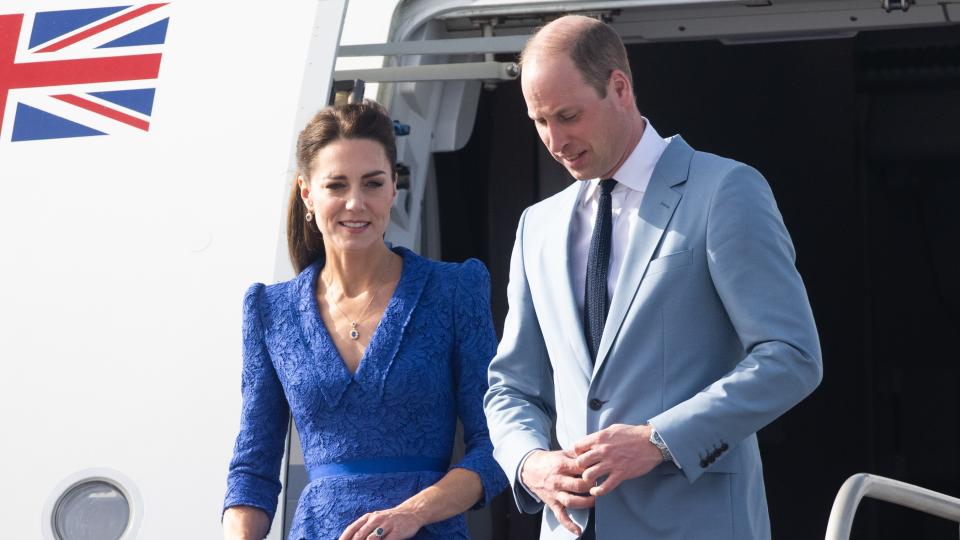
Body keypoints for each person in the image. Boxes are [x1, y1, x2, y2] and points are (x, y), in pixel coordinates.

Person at [483, 15, 823, 540]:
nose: (555, 140)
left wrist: (659, 439)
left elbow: (792, 356)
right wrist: (530, 464)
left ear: (620, 87)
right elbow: (511, 387)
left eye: (568, 116)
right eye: (539, 121)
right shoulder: (537, 226)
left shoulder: (724, 191)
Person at [222, 101, 507, 540]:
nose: (356, 203)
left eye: (373, 183)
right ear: (307, 194)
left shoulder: (454, 290)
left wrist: (412, 513)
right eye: (336, 185)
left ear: (394, 187)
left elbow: (495, 447)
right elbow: (253, 470)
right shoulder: (269, 311)